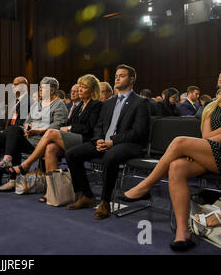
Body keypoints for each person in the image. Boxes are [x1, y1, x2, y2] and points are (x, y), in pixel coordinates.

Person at [121, 95, 221, 252]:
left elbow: (210, 139)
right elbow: (206, 137)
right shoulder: (211, 108)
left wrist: (194, 147)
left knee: (179, 142)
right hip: (211, 153)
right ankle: (183, 232)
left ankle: (147, 185)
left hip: (215, 152)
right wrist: (197, 148)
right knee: (176, 166)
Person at [64, 64, 150, 220]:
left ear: (132, 79)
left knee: (110, 156)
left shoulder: (140, 102)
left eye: (122, 75)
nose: (117, 78)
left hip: (128, 145)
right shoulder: (109, 103)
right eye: (116, 75)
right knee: (71, 154)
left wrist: (112, 142)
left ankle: (105, 202)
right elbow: (99, 126)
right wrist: (98, 140)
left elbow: (138, 132)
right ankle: (87, 196)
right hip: (105, 142)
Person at [13, 74, 103, 202]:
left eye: (84, 87)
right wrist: (69, 128)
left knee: (50, 132)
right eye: (80, 87)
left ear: (93, 90)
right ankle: (52, 191)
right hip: (73, 138)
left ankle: (26, 164)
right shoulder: (78, 107)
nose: (79, 90)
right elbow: (68, 123)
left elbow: (89, 128)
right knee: (50, 148)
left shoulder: (97, 105)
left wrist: (70, 128)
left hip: (86, 140)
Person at [0, 77, 68, 192]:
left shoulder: (59, 105)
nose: (40, 89)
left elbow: (57, 126)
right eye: (40, 87)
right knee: (6, 134)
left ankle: (12, 178)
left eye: (43, 87)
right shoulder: (37, 104)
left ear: (52, 90)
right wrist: (27, 127)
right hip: (30, 137)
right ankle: (6, 165)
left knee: (14, 137)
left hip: (43, 140)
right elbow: (27, 121)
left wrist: (39, 130)